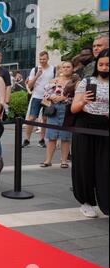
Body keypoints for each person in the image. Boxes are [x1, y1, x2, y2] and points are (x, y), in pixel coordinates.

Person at [70, 49, 109, 218]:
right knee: (84, 164)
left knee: (105, 165)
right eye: (101, 64)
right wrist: (84, 100)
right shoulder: (86, 81)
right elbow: (73, 108)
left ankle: (105, 202)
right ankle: (86, 202)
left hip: (105, 126)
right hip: (84, 123)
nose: (104, 67)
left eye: (108, 64)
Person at [40, 61, 75, 168]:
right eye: (64, 67)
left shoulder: (75, 82)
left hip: (67, 109)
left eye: (68, 67)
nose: (65, 69)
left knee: (65, 137)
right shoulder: (54, 80)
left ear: (73, 68)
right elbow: (45, 93)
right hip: (54, 109)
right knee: (51, 136)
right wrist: (52, 97)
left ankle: (64, 161)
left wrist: (64, 98)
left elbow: (78, 96)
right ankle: (48, 160)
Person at [23, 51, 57, 148]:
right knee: (32, 118)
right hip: (36, 97)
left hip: (48, 98)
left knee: (45, 119)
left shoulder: (53, 69)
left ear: (48, 58)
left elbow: (56, 82)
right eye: (40, 59)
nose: (42, 61)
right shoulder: (35, 69)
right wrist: (37, 75)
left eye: (44, 59)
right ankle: (27, 139)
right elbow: (29, 85)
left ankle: (42, 139)